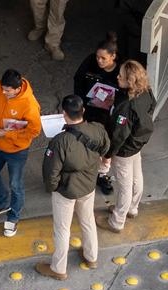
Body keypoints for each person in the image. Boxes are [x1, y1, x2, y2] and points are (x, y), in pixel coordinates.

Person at [36, 95, 110, 280]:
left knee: (62, 229)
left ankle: (59, 268)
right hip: (88, 186)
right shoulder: (97, 129)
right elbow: (106, 148)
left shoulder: (60, 141)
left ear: (64, 114)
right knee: (87, 220)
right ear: (83, 111)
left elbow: (50, 171)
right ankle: (91, 257)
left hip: (66, 191)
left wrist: (53, 188)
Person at [0, 69, 41, 237]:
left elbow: (34, 131)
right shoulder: (0, 88)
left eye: (7, 90)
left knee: (16, 185)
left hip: (16, 150)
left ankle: (13, 218)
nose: (3, 92)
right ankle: (2, 202)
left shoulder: (30, 105)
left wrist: (8, 134)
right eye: (3, 89)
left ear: (18, 88)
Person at [96, 60, 155, 233]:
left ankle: (116, 221)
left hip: (124, 150)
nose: (117, 76)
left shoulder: (126, 107)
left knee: (124, 186)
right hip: (137, 143)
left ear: (130, 82)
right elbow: (152, 107)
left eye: (120, 76)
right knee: (137, 176)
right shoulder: (146, 92)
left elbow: (118, 136)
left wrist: (107, 155)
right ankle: (132, 208)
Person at [74, 32, 122, 195]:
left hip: (109, 114)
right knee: (86, 141)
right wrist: (80, 104)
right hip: (89, 110)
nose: (99, 61)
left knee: (107, 144)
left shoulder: (121, 70)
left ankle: (102, 173)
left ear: (113, 56)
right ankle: (85, 170)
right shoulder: (90, 62)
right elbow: (78, 80)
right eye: (97, 57)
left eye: (103, 58)